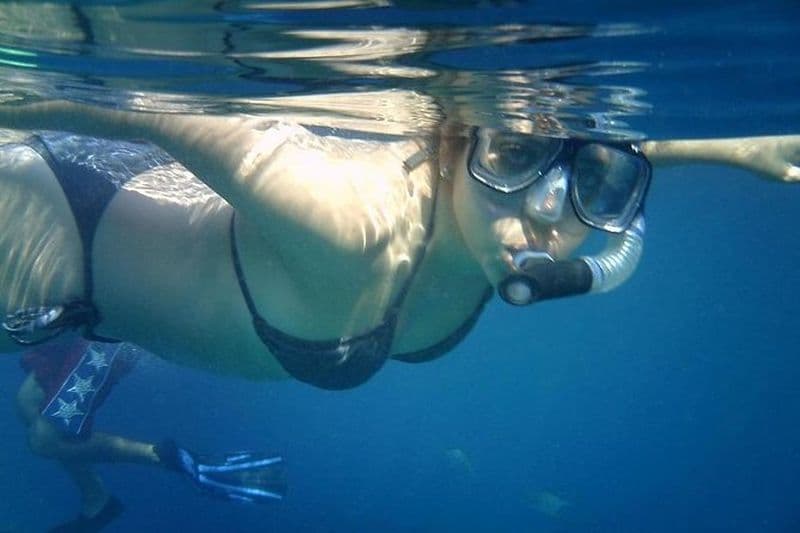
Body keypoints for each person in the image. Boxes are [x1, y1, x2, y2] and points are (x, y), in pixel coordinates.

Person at [0, 100, 798, 392]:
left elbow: (587, 140)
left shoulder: (503, 222)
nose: (553, 210)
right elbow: (131, 107)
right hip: (41, 226)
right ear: (460, 142)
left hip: (125, 220)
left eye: (601, 184)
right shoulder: (347, 221)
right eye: (513, 155)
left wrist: (728, 146)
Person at [17, 334, 287, 532]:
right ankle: (97, 500)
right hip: (86, 312)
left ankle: (170, 458)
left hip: (110, 333)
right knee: (28, 401)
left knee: (46, 440)